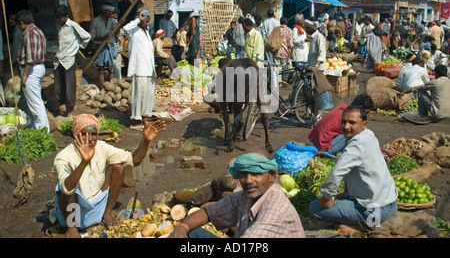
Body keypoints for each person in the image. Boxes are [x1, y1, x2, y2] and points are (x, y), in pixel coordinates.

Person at [53, 113, 166, 238]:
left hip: (98, 205)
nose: (89, 138)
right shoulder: (64, 157)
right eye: (84, 134)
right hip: (74, 212)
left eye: (94, 134)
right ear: (75, 135)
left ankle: (107, 214)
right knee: (64, 189)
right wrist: (84, 162)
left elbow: (134, 160)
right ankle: (71, 228)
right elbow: (67, 188)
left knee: (118, 167)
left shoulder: (101, 147)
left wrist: (145, 140)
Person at [168, 147, 305, 238]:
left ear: (271, 176)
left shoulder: (276, 210)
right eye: (243, 174)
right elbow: (207, 212)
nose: (248, 180)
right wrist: (181, 226)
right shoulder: (244, 197)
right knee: (192, 232)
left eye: (256, 174)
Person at [309, 106, 398, 234]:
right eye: (343, 122)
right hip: (391, 204)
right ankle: (362, 219)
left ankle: (361, 227)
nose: (346, 126)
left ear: (364, 124)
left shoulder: (356, 145)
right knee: (343, 199)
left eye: (352, 122)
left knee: (315, 207)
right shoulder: (369, 135)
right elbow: (351, 170)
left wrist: (326, 200)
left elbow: (336, 173)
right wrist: (346, 191)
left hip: (375, 212)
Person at [308, 93, 394, 157]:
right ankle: (336, 155)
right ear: (360, 107)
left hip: (317, 141)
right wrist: (385, 150)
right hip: (324, 146)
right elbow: (363, 138)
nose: (365, 115)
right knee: (354, 136)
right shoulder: (349, 117)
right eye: (366, 112)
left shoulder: (344, 108)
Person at [15, 10, 50, 131]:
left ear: (21, 23)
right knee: (35, 101)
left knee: (36, 103)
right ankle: (36, 127)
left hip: (31, 69)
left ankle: (43, 130)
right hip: (38, 68)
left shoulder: (29, 33)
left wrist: (24, 75)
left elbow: (30, 58)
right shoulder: (38, 31)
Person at [54, 5, 91, 116]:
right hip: (59, 58)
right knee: (58, 85)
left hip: (69, 59)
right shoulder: (59, 26)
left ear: (66, 16)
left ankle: (71, 108)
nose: (58, 20)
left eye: (60, 18)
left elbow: (87, 37)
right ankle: (62, 105)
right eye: (57, 18)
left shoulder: (73, 26)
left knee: (69, 85)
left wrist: (78, 46)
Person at [123, 10, 157, 130]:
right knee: (139, 95)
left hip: (149, 69)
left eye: (148, 22)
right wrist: (138, 19)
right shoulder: (133, 31)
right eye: (145, 21)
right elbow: (125, 29)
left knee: (148, 95)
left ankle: (145, 118)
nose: (147, 24)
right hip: (140, 68)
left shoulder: (147, 32)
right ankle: (135, 121)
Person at [89, 4, 119, 90]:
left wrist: (119, 24)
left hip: (110, 46)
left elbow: (116, 33)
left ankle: (111, 88)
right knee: (101, 69)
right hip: (100, 47)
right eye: (109, 12)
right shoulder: (95, 22)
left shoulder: (112, 21)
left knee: (111, 69)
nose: (111, 13)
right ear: (104, 11)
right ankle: (102, 89)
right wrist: (103, 38)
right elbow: (92, 36)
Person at [273, 17, 293, 83]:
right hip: (285, 52)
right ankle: (284, 80)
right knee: (284, 67)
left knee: (277, 67)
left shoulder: (276, 30)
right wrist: (291, 52)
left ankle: (278, 81)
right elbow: (290, 44)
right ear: (287, 22)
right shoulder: (289, 30)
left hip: (276, 51)